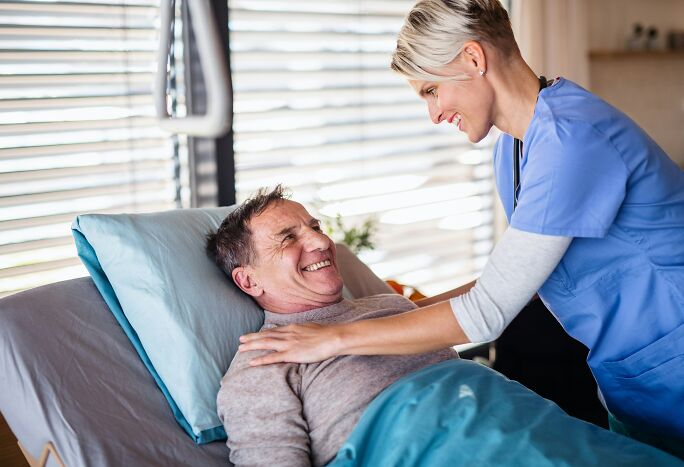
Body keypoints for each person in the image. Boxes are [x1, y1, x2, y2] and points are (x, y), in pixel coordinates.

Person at [237, 0, 684, 458]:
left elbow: (489, 312)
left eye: (431, 90)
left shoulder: (572, 140)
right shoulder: (512, 149)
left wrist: (334, 337)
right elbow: (525, 279)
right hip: (632, 379)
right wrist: (391, 313)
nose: (433, 114)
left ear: (473, 58)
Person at [205, 186, 457, 466]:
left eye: (316, 227)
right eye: (288, 238)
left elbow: (480, 307)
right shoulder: (264, 363)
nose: (322, 242)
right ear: (249, 281)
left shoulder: (391, 305)